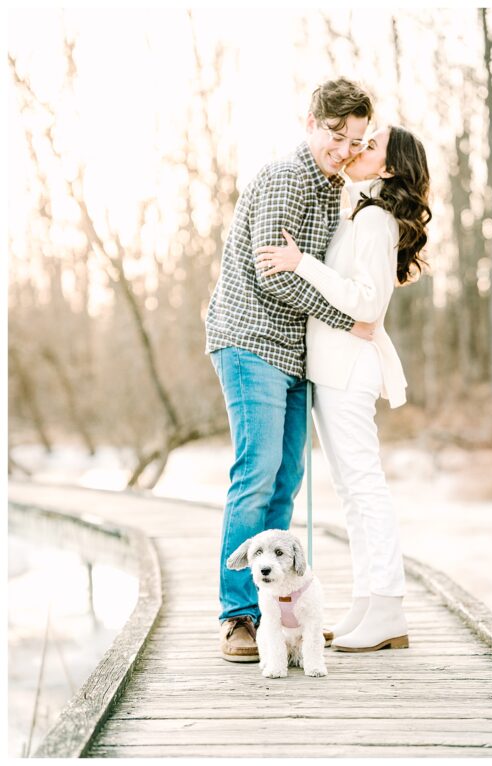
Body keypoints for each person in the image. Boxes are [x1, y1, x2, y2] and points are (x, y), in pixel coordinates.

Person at [205, 77, 373, 663]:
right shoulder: (284, 179)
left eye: (354, 140)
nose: (343, 149)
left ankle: (277, 611)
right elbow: (275, 274)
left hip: (294, 353)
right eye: (335, 134)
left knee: (284, 483)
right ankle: (236, 617)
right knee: (257, 473)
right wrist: (347, 317)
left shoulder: (333, 188)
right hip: (250, 339)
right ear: (310, 121)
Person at [255, 125, 431, 653]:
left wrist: (301, 263)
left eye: (370, 145)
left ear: (390, 168)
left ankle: (389, 606)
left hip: (350, 367)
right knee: (352, 493)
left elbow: (368, 304)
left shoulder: (376, 220)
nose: (357, 148)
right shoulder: (361, 212)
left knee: (365, 487)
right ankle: (366, 601)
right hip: (332, 368)